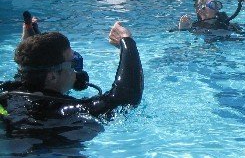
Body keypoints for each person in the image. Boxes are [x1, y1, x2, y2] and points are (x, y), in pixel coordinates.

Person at [0, 21, 144, 133]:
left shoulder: (7, 94)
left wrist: (32, 46)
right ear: (52, 77)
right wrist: (126, 42)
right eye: (72, 63)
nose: (76, 70)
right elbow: (126, 97)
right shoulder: (62, 112)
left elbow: (27, 72)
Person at [178, 0, 245, 36]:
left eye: (217, 4)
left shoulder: (225, 23)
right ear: (201, 10)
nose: (216, 8)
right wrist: (182, 29)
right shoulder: (194, 27)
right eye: (212, 5)